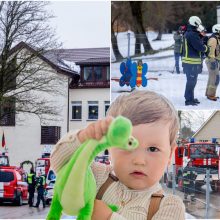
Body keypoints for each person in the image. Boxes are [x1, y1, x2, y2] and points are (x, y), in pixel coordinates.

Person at [50, 91, 185, 220]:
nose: (139, 161)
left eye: (153, 149)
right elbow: (62, 165)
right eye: (127, 145)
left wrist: (109, 217)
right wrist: (84, 138)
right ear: (109, 146)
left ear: (170, 154)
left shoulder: (169, 206)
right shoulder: (99, 176)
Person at [182, 16, 209, 106]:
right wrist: (206, 48)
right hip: (191, 63)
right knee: (191, 81)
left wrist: (200, 36)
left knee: (192, 81)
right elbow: (199, 47)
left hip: (191, 63)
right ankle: (188, 100)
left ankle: (191, 98)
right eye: (198, 24)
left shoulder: (191, 33)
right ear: (195, 23)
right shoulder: (192, 34)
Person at [205, 24, 220, 101]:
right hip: (211, 60)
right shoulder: (213, 39)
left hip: (215, 60)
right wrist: (213, 61)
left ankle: (208, 93)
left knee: (212, 77)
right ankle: (211, 95)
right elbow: (210, 52)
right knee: (215, 78)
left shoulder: (217, 38)